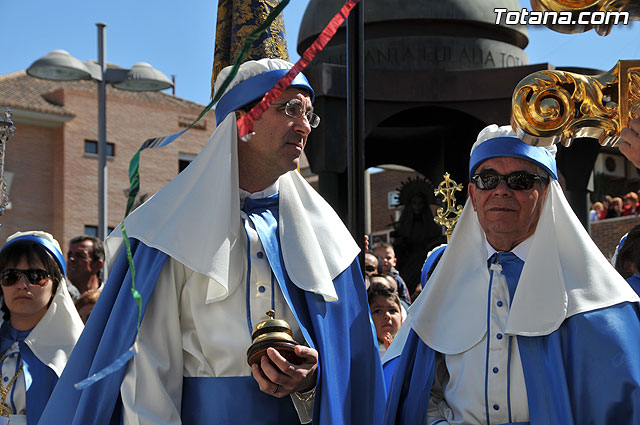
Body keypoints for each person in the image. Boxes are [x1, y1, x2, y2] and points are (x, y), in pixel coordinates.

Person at [40, 59, 385, 425]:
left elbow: (351, 367)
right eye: (291, 109)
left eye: (309, 114)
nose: (304, 126)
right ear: (243, 122)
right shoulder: (170, 228)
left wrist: (311, 381)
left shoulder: (324, 233)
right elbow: (149, 381)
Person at [384, 124, 640, 425]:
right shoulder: (444, 285)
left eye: (520, 180)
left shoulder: (592, 299)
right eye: (488, 179)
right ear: (473, 196)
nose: (501, 190)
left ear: (545, 192)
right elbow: (421, 391)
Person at [0, 231, 83, 425]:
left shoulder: (74, 355)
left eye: (35, 276)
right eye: (10, 276)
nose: (22, 285)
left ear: (56, 286)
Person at [368, 283, 403, 359]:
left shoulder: (409, 346)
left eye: (392, 310)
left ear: (401, 318)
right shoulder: (363, 350)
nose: (387, 316)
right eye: (378, 311)